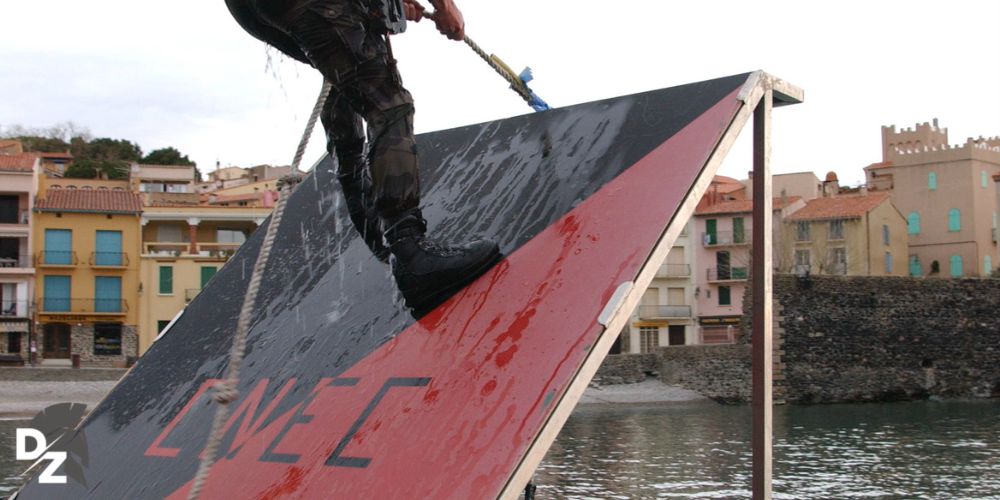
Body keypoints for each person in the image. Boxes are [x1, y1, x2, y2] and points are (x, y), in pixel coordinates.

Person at [225, 0, 500, 315]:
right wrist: (446, 7)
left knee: (347, 83)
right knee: (389, 105)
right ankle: (409, 251)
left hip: (255, 11)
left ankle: (382, 239)